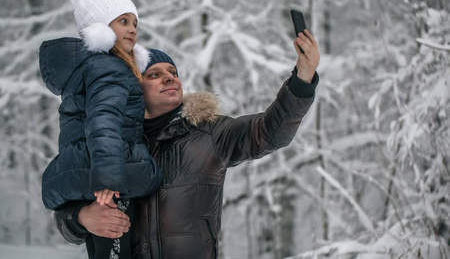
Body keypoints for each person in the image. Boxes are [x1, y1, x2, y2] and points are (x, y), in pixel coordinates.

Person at [54, 28, 320, 258]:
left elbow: (270, 131)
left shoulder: (210, 133)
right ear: (134, 88)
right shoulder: (109, 147)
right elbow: (65, 216)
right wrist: (81, 217)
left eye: (172, 71)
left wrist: (303, 79)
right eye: (154, 74)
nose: (170, 77)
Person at [39, 0, 162, 259]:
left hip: (92, 170)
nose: (132, 28)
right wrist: (108, 177)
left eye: (134, 22)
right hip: (109, 175)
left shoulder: (88, 68)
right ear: (100, 28)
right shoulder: (109, 68)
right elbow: (103, 120)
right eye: (122, 21)